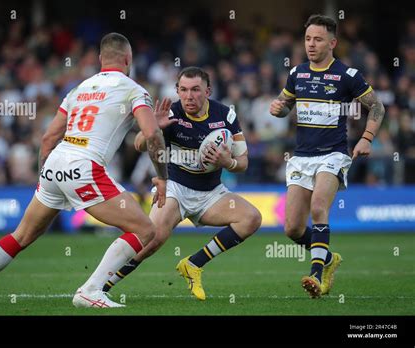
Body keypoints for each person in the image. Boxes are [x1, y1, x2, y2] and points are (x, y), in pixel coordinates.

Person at [0, 32, 170, 309]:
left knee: (21, 236)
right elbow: (150, 135)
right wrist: (162, 177)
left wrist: (46, 179)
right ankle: (91, 290)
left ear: (101, 59)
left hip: (55, 163)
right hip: (85, 165)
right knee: (145, 230)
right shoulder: (134, 90)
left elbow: (48, 138)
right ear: (129, 59)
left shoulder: (77, 90)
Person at [103, 66, 262, 301]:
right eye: (183, 90)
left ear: (207, 91)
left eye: (196, 90)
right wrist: (154, 128)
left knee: (251, 218)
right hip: (174, 188)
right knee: (153, 238)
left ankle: (193, 264)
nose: (189, 96)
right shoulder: (171, 113)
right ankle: (102, 286)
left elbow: (244, 162)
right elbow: (137, 145)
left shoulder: (225, 115)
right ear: (177, 90)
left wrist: (228, 162)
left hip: (211, 193)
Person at [269, 14, 385, 298]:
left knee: (319, 206)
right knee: (293, 228)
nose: (311, 44)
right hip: (301, 157)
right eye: (308, 38)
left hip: (332, 154)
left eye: (318, 39)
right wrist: (279, 108)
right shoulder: (297, 73)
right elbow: (286, 106)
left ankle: (317, 276)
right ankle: (329, 259)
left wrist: (367, 139)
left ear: (332, 43)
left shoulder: (348, 76)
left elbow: (378, 107)